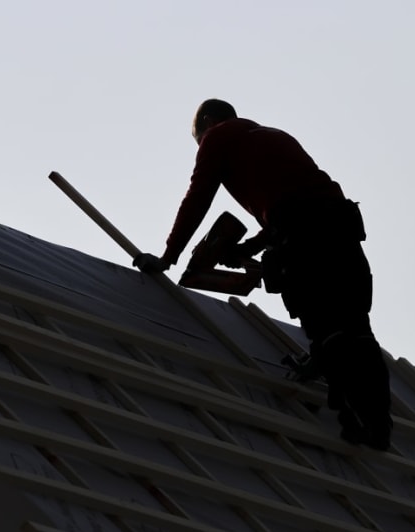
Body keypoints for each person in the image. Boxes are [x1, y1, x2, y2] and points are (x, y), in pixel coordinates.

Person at [134, 99, 392, 450]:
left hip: (304, 237)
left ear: (209, 122)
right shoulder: (274, 136)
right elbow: (293, 205)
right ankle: (379, 423)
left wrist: (168, 255)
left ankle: (357, 424)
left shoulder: (218, 137)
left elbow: (199, 195)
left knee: (329, 329)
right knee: (355, 326)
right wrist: (249, 249)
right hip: (340, 228)